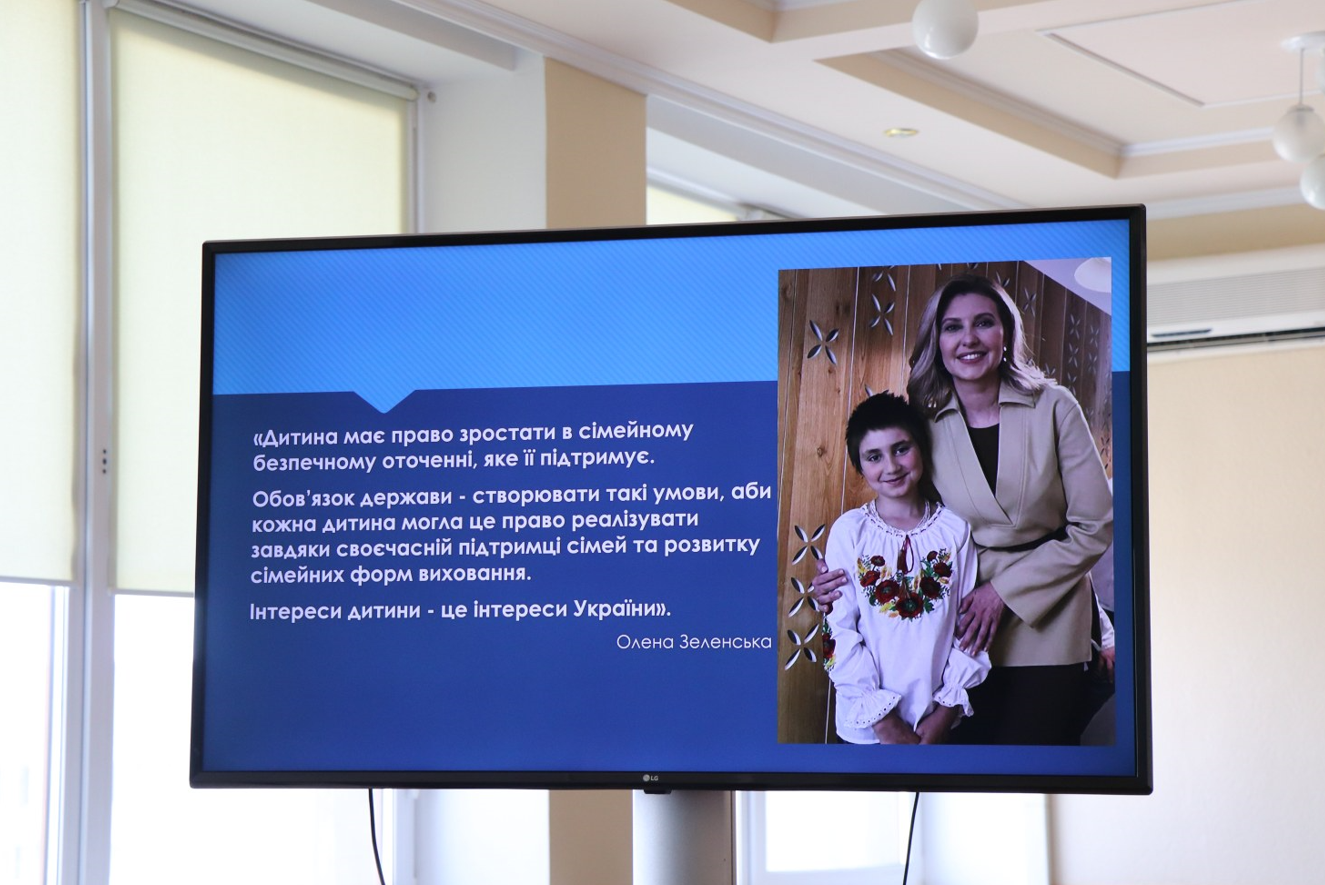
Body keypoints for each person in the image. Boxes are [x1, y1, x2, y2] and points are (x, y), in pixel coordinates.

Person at [813, 273, 1113, 745]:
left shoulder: (1054, 406)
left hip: (1049, 616)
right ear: (937, 340)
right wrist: (840, 580)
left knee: (1028, 764)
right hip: (954, 630)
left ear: (1006, 333)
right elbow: (906, 518)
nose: (968, 339)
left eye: (983, 323)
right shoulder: (924, 421)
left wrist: (1004, 591)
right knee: (962, 768)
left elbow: (1095, 527)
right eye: (953, 327)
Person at [821, 392, 989, 745]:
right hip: (866, 729)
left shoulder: (955, 530)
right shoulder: (850, 532)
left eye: (901, 449)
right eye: (874, 457)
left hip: (937, 724)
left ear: (921, 448)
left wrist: (946, 711)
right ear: (860, 466)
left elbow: (970, 629)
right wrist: (883, 722)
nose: (891, 466)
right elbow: (838, 631)